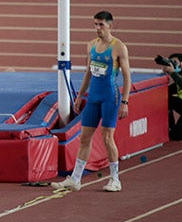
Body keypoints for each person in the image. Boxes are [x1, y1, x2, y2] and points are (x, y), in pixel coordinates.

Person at [53, 10, 132, 193]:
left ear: (110, 25)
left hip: (110, 97)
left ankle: (115, 179)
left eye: (101, 25)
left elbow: (127, 77)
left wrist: (125, 102)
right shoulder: (90, 46)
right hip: (94, 97)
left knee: (107, 137)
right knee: (85, 138)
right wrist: (80, 95)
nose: (97, 28)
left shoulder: (119, 47)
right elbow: (88, 72)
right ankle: (75, 179)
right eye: (95, 24)